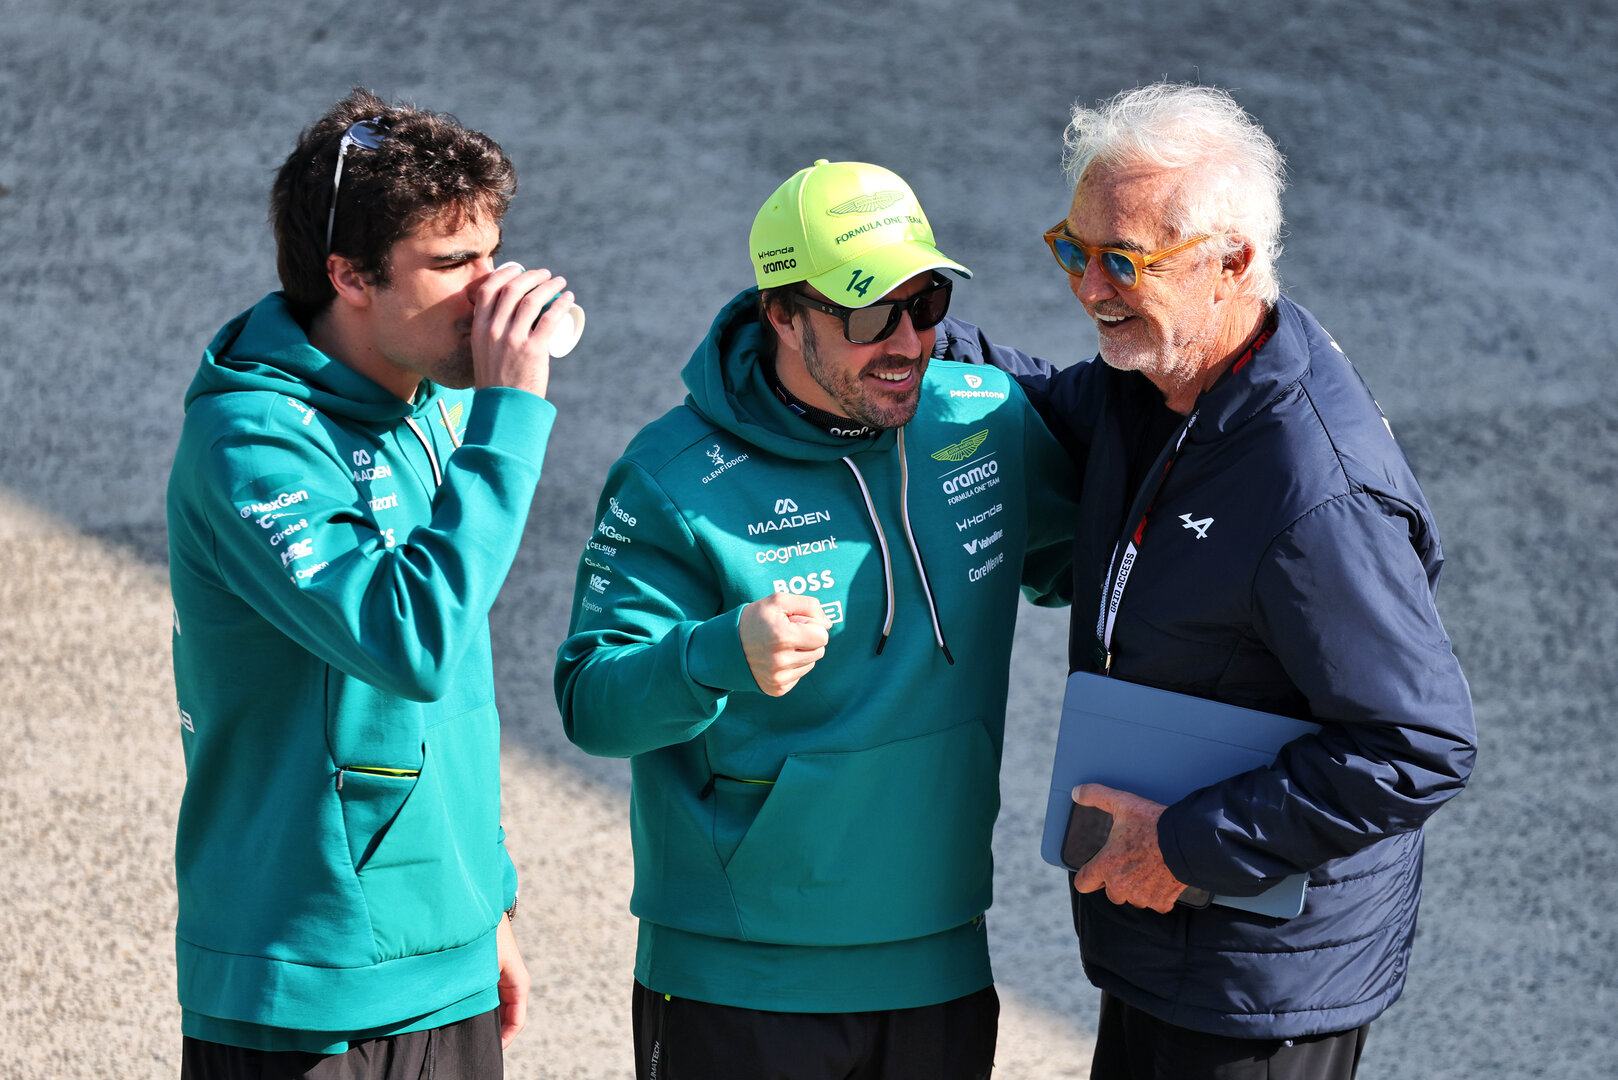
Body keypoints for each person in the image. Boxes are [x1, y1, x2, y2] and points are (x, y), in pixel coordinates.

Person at [992, 83, 1478, 1080]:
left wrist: (1182, 847)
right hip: (1166, 950)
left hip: (1258, 993)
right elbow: (1040, 401)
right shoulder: (1161, 373)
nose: (1087, 287)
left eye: (1122, 260)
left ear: (1233, 264)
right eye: (1071, 249)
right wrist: (887, 337)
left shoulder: (1313, 495)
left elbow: (1418, 744)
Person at [553, 159, 1076, 1079]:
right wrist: (715, 655)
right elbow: (592, 701)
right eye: (870, 313)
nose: (909, 341)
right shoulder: (672, 476)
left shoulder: (988, 423)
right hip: (740, 977)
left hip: (941, 956)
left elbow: (1104, 563)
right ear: (783, 313)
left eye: (926, 302)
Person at [166, 87, 579, 1077]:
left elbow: (461, 698)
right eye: (451, 265)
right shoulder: (251, 446)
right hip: (307, 987)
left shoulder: (424, 405)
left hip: (447, 963)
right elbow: (409, 643)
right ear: (347, 275)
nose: (490, 292)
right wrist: (510, 419)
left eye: (490, 253)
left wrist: (487, 904)